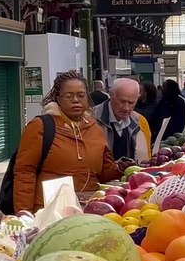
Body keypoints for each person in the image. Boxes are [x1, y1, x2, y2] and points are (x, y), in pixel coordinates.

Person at [11, 70, 133, 213]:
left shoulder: (95, 128)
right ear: (58, 99)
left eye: (81, 95)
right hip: (49, 211)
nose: (75, 100)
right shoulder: (40, 126)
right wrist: (24, 213)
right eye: (68, 96)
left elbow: (103, 172)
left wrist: (119, 168)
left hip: (88, 209)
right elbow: (25, 173)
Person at [93, 78, 150, 162]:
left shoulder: (140, 121)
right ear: (111, 96)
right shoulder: (91, 119)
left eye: (131, 103)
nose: (126, 108)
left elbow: (146, 159)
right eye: (122, 101)